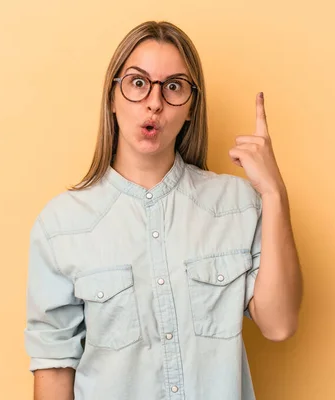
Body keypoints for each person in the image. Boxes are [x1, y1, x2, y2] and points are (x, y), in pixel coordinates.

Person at [24, 20, 303, 400]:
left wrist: (274, 193)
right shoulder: (62, 225)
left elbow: (279, 324)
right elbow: (54, 370)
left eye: (174, 87)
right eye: (138, 83)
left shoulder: (237, 204)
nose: (155, 102)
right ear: (112, 96)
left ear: (190, 108)